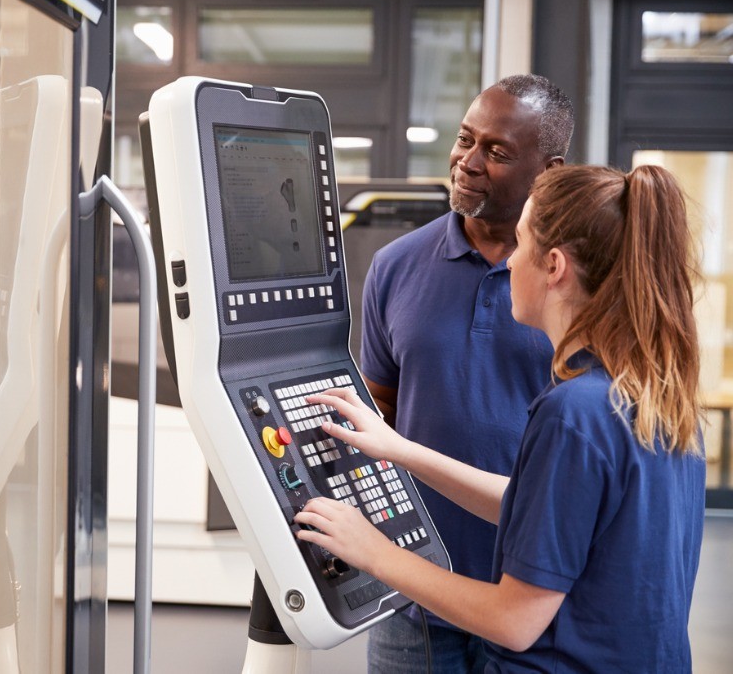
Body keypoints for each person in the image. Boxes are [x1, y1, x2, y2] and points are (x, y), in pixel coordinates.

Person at [297, 164, 706, 672]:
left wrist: (373, 551)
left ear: (553, 266)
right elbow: (534, 509)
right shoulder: (649, 395)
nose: (508, 263)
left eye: (519, 245)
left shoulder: (572, 415)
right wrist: (397, 447)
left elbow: (514, 620)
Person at [358, 74, 574, 672]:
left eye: (497, 152)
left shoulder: (570, 282)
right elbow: (381, 415)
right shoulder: (394, 267)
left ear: (548, 170)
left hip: (537, 595)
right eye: (464, 140)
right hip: (417, 595)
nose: (468, 161)